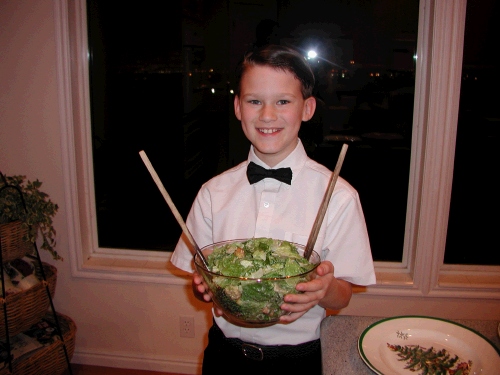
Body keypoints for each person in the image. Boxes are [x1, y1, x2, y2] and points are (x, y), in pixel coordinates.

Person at [170, 44, 376, 375]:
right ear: (238, 107)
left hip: (299, 360)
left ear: (307, 108)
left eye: (283, 101)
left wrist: (325, 289)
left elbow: (343, 296)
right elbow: (198, 279)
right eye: (255, 101)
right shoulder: (212, 193)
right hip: (225, 355)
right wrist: (205, 287)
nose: (267, 115)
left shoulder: (338, 197)